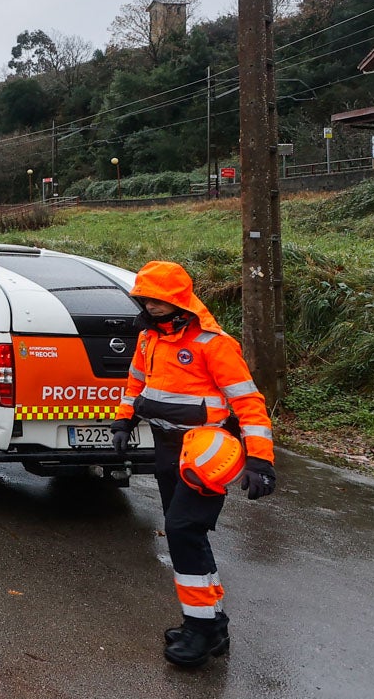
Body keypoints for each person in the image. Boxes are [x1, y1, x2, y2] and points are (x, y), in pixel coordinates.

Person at [110, 260, 277, 667]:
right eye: (145, 300)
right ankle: (211, 623)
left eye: (158, 301)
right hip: (165, 447)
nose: (150, 307)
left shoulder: (213, 343)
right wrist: (123, 418)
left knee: (184, 531)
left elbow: (249, 403)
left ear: (178, 300)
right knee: (187, 533)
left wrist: (260, 460)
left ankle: (200, 630)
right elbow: (136, 381)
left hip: (203, 451)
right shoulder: (149, 337)